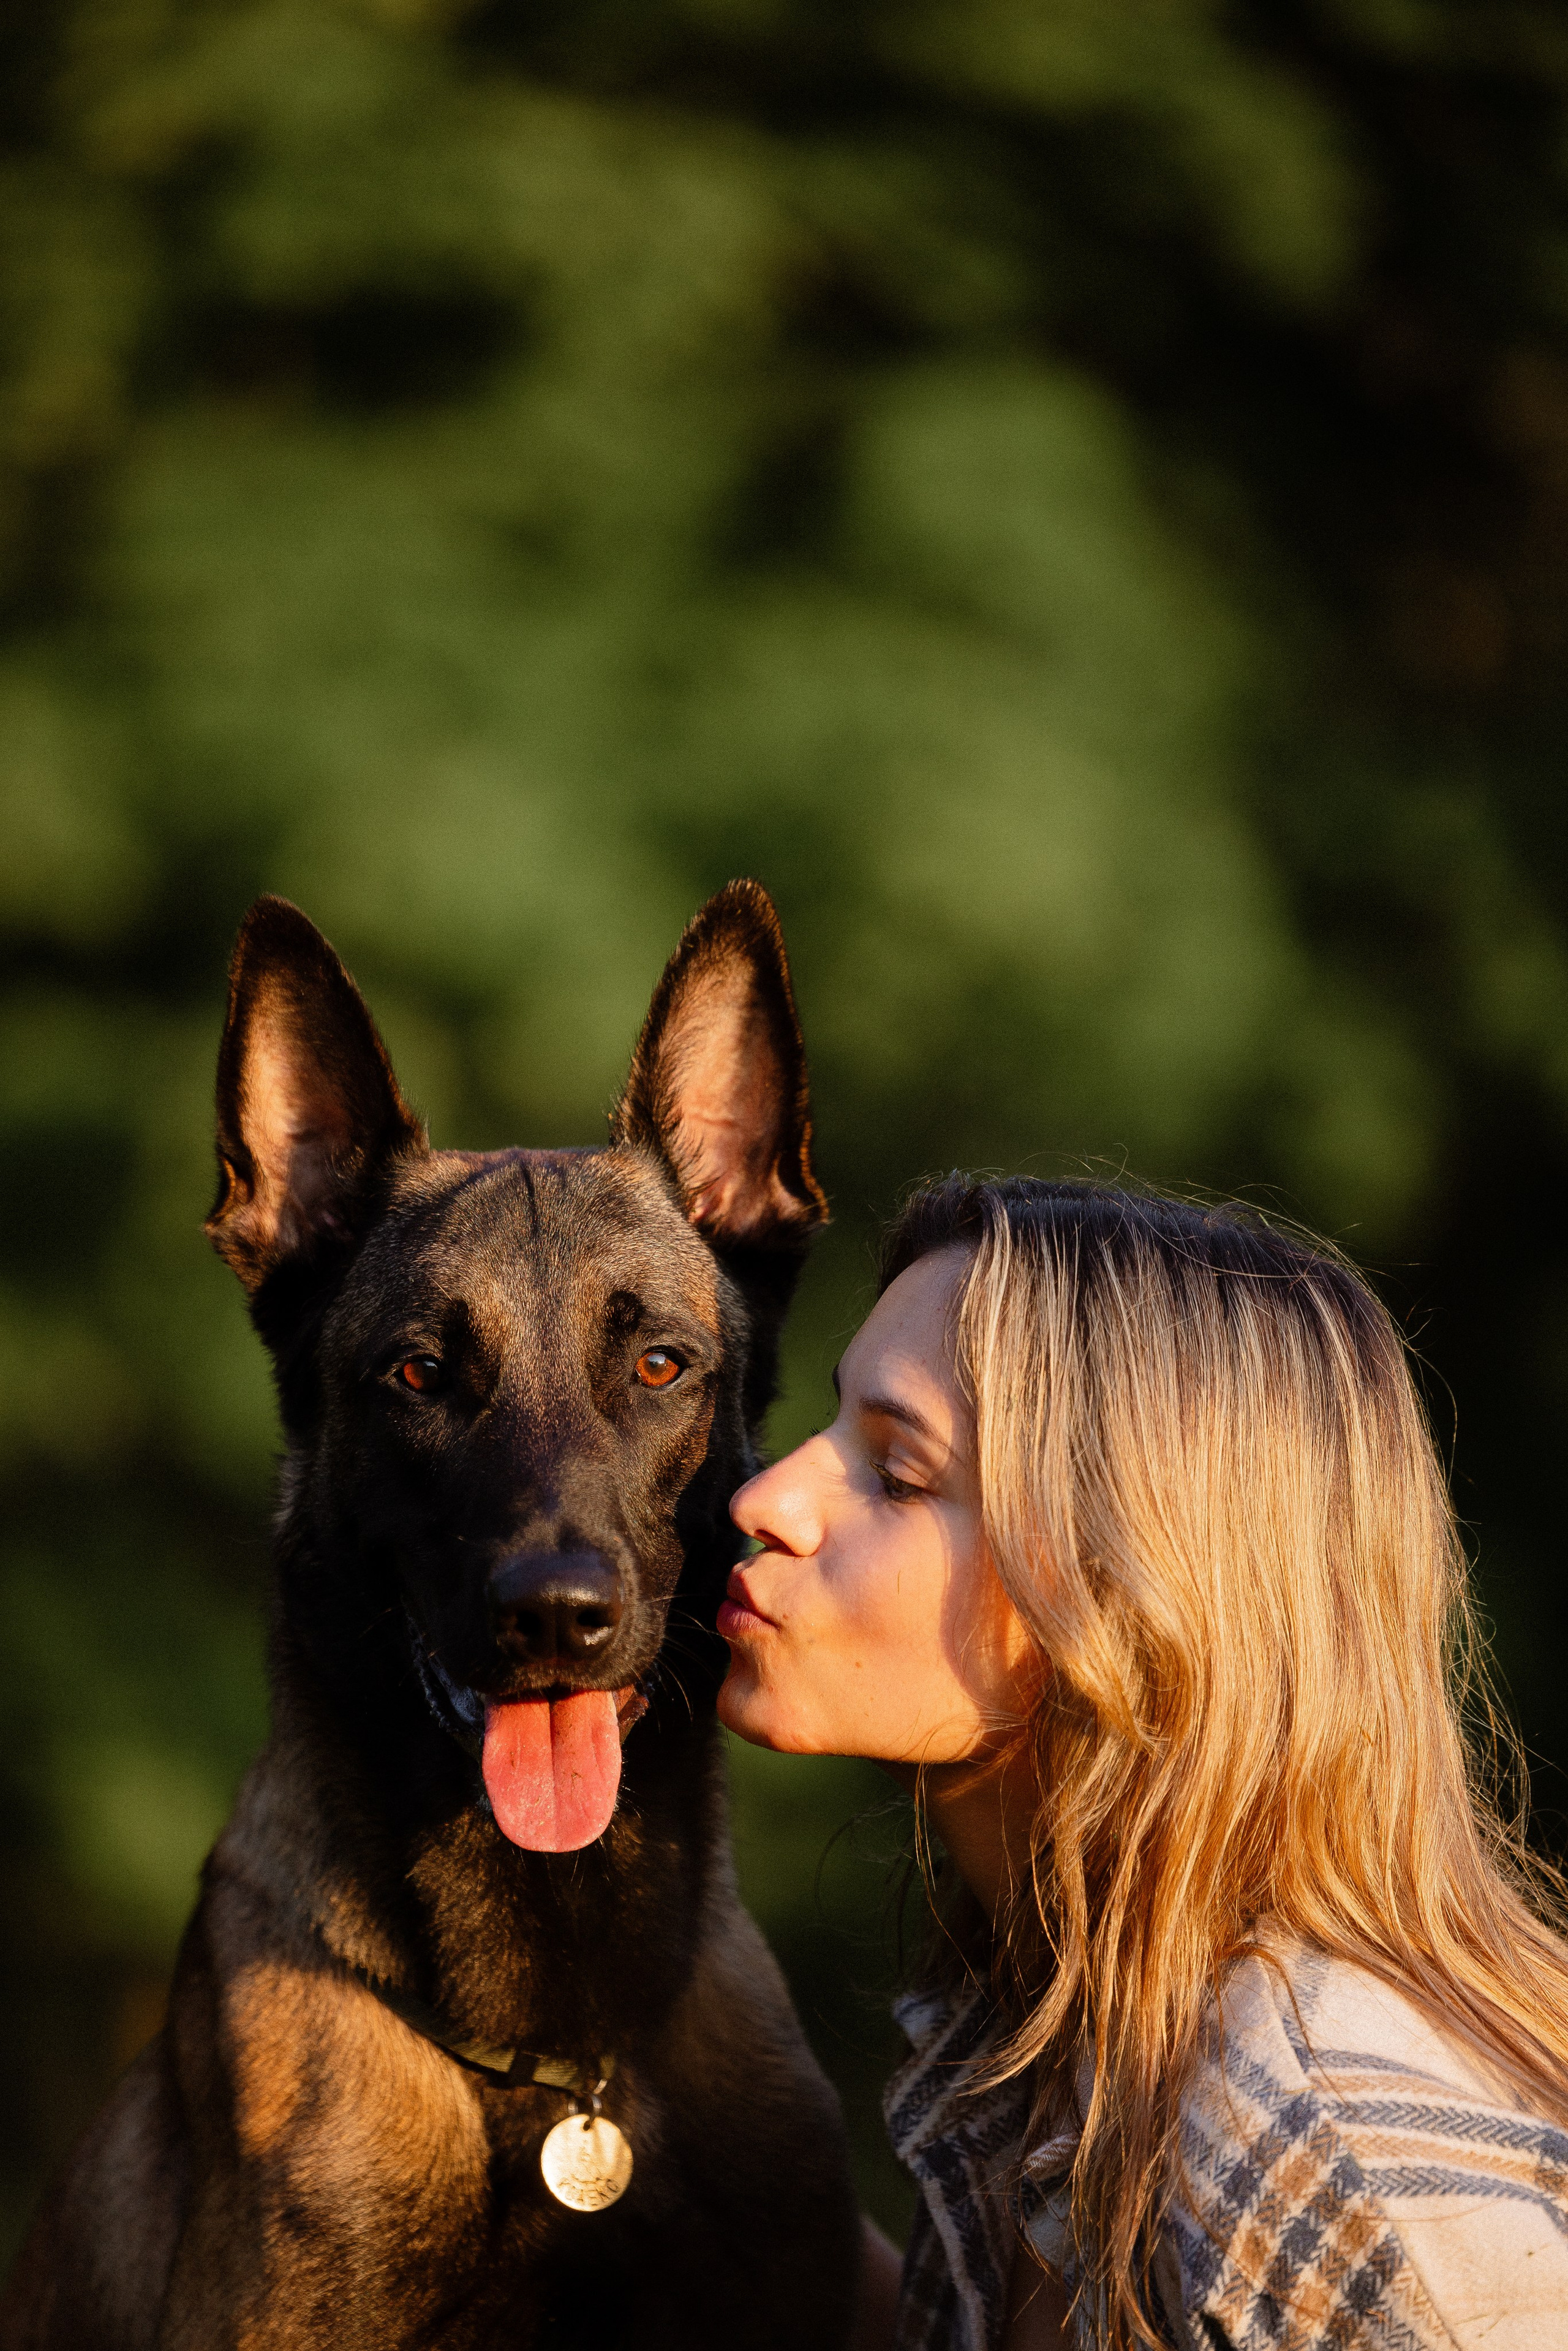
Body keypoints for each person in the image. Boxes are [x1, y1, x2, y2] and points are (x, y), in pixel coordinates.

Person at [717, 1176, 1568, 2351]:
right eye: (825, 1430)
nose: (765, 1497)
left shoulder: (1309, 2133)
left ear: (1130, 1590)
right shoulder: (1042, 2050)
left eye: (899, 1473)